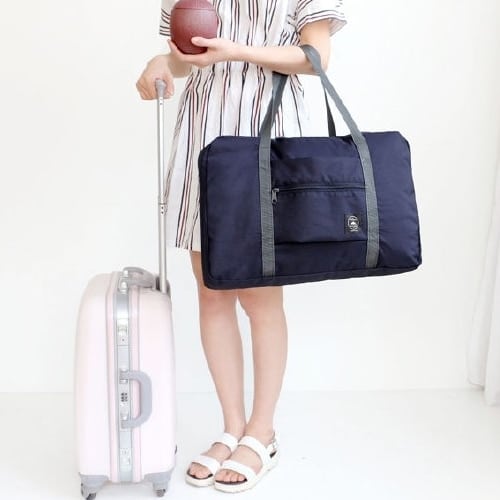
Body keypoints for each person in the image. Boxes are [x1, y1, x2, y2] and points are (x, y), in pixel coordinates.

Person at [136, 0, 346, 493]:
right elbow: (187, 59)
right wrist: (162, 62)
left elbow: (316, 58)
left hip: (265, 139)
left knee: (259, 297)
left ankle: (262, 432)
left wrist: (237, 51)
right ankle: (232, 427)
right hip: (202, 139)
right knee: (212, 292)